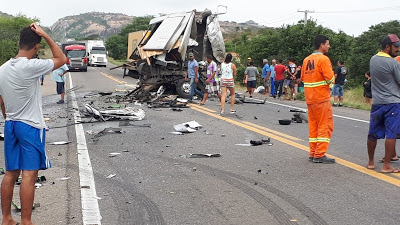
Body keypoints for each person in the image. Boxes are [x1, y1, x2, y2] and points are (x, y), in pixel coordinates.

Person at [0, 23, 66, 225]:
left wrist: (7, 117)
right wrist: (46, 35)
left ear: (19, 43)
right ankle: (27, 222)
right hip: (30, 126)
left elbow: (1, 100)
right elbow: (62, 59)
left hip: (10, 124)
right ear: (36, 47)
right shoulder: (31, 66)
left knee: (11, 173)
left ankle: (7, 219)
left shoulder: (2, 69)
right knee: (29, 174)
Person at [366, 34, 400, 173]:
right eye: (396, 47)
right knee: (391, 134)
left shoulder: (373, 59)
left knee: (373, 133)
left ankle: (371, 162)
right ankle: (387, 165)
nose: (397, 50)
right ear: (388, 47)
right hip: (392, 102)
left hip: (377, 102)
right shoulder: (393, 63)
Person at [301, 35, 336, 164]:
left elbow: (304, 79)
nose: (329, 46)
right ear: (321, 45)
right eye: (327, 44)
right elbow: (330, 79)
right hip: (321, 98)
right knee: (325, 126)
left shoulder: (306, 60)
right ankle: (320, 154)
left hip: (310, 98)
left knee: (314, 126)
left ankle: (313, 153)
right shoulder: (323, 59)